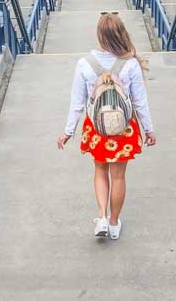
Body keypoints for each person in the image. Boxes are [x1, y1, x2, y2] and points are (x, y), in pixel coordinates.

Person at [57, 12, 156, 239]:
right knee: (118, 176)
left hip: (97, 128)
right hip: (124, 129)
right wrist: (148, 129)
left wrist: (68, 132)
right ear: (121, 34)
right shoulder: (130, 64)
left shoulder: (85, 64)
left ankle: (101, 216)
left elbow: (77, 102)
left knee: (100, 170)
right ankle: (113, 223)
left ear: (99, 36)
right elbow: (140, 101)